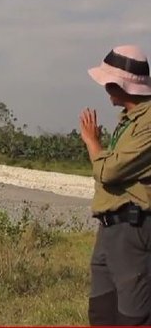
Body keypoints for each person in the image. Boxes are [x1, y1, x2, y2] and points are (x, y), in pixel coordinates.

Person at [80, 44, 151, 326]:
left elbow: (108, 172)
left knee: (132, 317)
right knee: (102, 312)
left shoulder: (148, 123)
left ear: (119, 84)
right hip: (111, 228)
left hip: (133, 230)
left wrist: (92, 142)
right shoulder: (128, 121)